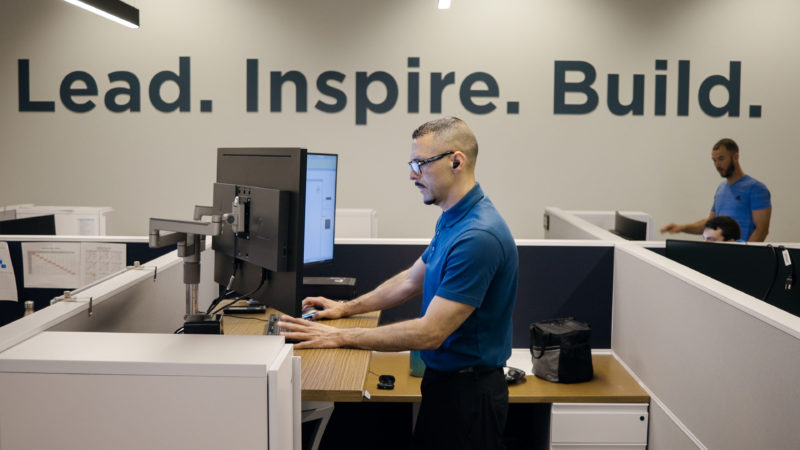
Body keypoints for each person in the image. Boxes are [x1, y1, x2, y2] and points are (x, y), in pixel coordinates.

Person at [279, 117, 518, 450]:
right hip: (446, 386)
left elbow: (430, 333)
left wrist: (340, 337)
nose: (411, 174)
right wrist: (345, 308)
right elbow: (410, 279)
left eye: (420, 163)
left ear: (456, 161)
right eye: (412, 163)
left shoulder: (478, 236)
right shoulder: (454, 217)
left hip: (469, 398)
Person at [661, 138, 771, 242]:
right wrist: (681, 228)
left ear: (735, 157)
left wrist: (744, 255)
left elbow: (762, 231)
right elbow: (709, 225)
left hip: (740, 257)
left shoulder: (756, 189)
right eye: (714, 160)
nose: (717, 165)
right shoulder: (721, 189)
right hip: (719, 254)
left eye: (721, 159)